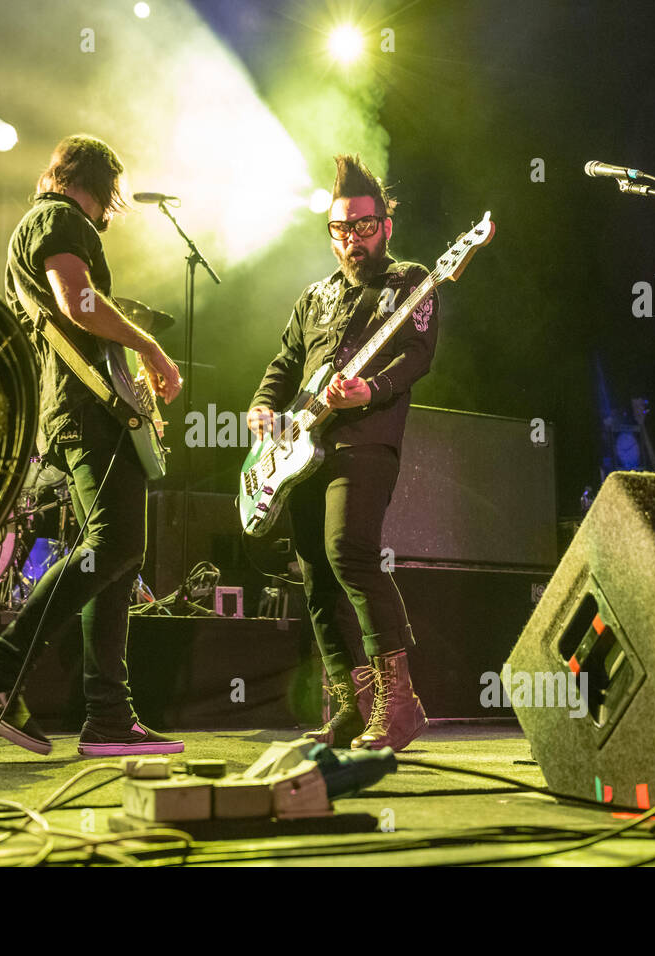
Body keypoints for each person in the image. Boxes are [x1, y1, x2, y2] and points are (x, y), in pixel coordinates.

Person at [0, 134, 185, 756]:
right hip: (87, 415)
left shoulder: (40, 223)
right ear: (101, 183)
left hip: (79, 410)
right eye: (113, 195)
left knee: (112, 562)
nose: (113, 210)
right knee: (113, 544)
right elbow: (79, 303)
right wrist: (151, 348)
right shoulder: (58, 217)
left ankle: (109, 717)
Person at [247, 154, 438, 750]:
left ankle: (400, 706)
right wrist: (262, 405)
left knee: (348, 552)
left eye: (362, 226)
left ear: (386, 224)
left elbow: (419, 355)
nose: (351, 239)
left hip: (366, 438)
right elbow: (284, 364)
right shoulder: (315, 296)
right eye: (340, 229)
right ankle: (352, 708)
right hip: (302, 447)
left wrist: (370, 389)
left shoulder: (410, 282)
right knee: (315, 574)